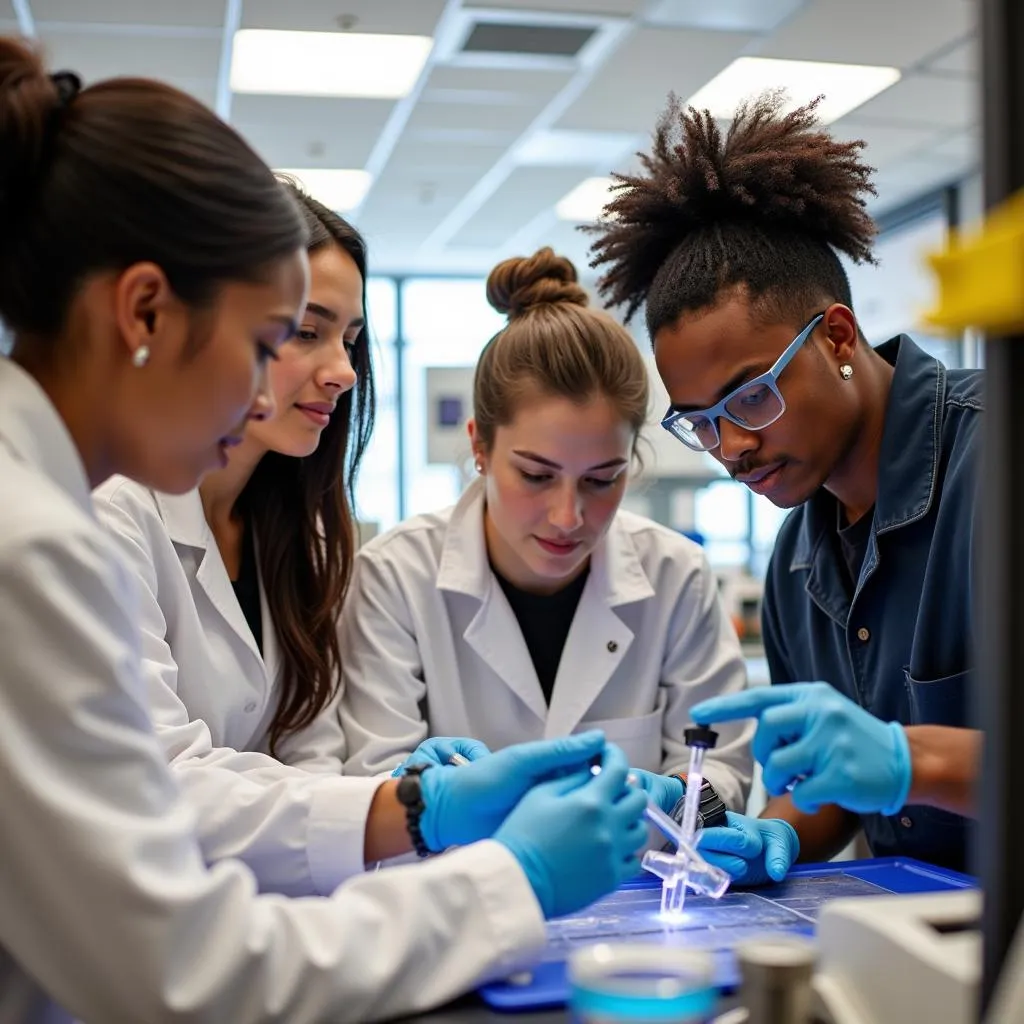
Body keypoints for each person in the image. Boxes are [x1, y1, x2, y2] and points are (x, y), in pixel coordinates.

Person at [0, 38, 648, 1023]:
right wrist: (504, 877)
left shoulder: (48, 504)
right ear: (143, 310)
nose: (320, 376)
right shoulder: (31, 541)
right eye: (273, 338)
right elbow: (184, 969)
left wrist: (412, 809)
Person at [587, 92, 980, 882]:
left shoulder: (992, 465)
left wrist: (912, 757)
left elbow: (891, 765)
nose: (731, 447)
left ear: (837, 336)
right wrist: (779, 832)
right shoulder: (800, 559)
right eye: (700, 421)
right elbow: (840, 785)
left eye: (750, 396)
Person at [93, 183, 480, 896]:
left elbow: (312, 758)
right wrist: (406, 812)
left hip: (257, 921)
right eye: (306, 331)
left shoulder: (304, 535)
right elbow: (160, 778)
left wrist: (385, 798)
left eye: (351, 340)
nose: (343, 371)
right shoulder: (115, 512)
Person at [339, 247, 754, 821]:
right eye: (536, 476)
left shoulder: (675, 575)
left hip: (632, 892)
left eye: (602, 480)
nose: (567, 516)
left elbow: (721, 770)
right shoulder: (395, 578)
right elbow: (373, 790)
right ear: (480, 447)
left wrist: (685, 796)